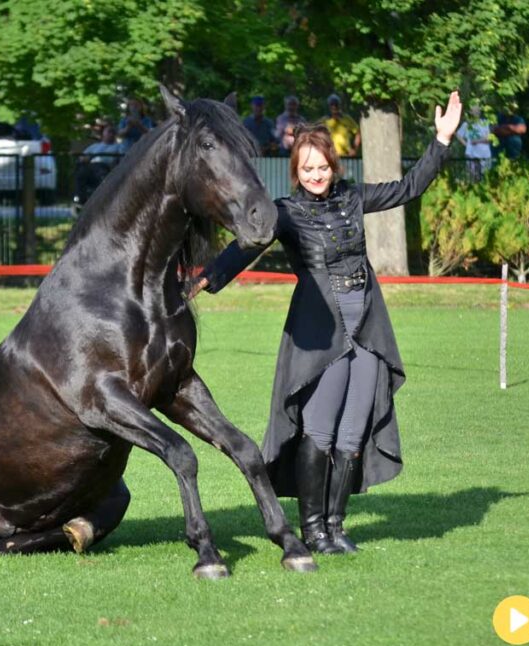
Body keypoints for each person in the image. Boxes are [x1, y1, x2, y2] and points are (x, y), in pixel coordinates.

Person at [189, 92, 463, 555]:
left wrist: (441, 139)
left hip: (367, 333)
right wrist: (207, 278)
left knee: (354, 430)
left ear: (334, 167)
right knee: (320, 429)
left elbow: (409, 187)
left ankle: (336, 526)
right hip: (323, 336)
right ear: (296, 171)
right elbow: (245, 246)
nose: (316, 176)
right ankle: (311, 528)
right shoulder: (286, 213)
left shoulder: (353, 199)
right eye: (307, 169)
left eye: (323, 168)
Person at [74, 124, 124, 208]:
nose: (111, 134)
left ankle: (102, 202)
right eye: (109, 131)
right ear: (103, 133)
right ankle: (81, 200)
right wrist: (85, 159)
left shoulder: (118, 147)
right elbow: (82, 158)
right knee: (81, 174)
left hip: (105, 168)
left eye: (113, 132)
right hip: (90, 167)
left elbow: (120, 160)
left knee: (101, 175)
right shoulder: (94, 146)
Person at [456, 104, 493, 180]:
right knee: (473, 176)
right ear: (471, 112)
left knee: (485, 176)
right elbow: (458, 135)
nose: (477, 112)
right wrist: (466, 145)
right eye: (474, 111)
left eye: (478, 111)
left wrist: (476, 141)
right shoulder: (467, 124)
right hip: (472, 154)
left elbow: (488, 138)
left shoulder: (485, 123)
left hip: (484, 154)